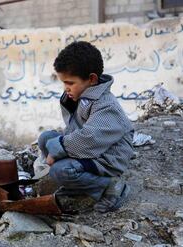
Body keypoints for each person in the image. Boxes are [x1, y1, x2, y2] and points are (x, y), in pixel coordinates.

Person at [37, 41, 134, 213]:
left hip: (107, 157)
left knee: (60, 171)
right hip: (90, 151)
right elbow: (74, 128)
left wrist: (57, 149)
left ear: (91, 79)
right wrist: (55, 145)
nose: (66, 88)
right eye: (64, 83)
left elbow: (89, 139)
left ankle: (110, 186)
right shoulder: (82, 96)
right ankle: (79, 186)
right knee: (45, 138)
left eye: (70, 83)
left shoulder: (106, 106)